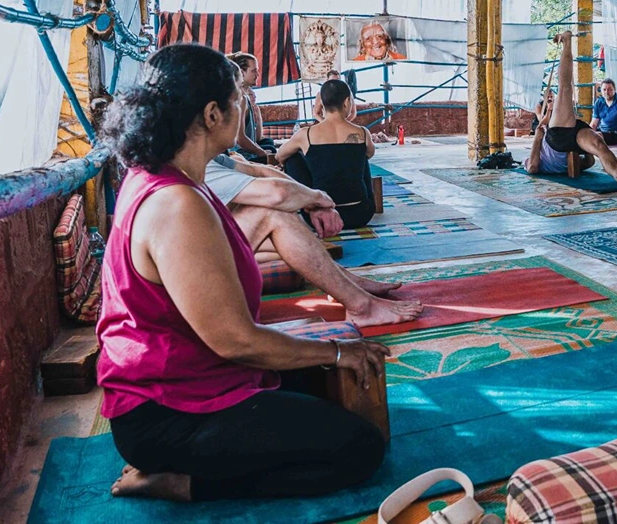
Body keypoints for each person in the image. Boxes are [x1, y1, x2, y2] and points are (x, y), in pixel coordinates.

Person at [97, 44, 388, 504]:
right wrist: (334, 351)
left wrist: (329, 358)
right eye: (238, 100)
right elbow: (235, 341)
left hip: (197, 378)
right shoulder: (176, 203)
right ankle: (186, 483)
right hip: (169, 412)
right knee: (360, 449)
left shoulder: (172, 177)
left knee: (330, 384)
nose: (243, 107)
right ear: (212, 114)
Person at [206, 154, 422, 326]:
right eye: (236, 111)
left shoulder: (209, 158)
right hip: (197, 289)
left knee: (286, 230)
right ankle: (360, 306)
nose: (239, 117)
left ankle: (346, 284)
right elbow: (278, 192)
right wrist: (319, 198)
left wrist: (311, 202)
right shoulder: (198, 165)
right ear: (212, 117)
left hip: (205, 261)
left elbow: (261, 170)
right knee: (273, 214)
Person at [525, 31, 617, 187]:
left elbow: (531, 166)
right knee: (565, 89)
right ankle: (567, 41)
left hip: (560, 138)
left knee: (599, 145)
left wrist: (538, 137)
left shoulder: (535, 163)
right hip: (565, 139)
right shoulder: (555, 167)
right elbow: (589, 162)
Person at [276, 79, 377, 228]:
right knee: (361, 155)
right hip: (360, 214)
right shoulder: (362, 132)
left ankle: (310, 202)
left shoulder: (305, 134)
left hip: (319, 218)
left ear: (321, 103)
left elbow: (279, 156)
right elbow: (370, 153)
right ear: (347, 102)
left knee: (292, 158)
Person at [228, 52, 276, 162]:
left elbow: (254, 137)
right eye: (254, 71)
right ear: (242, 72)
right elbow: (240, 139)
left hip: (242, 155)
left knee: (270, 146)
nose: (257, 74)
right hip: (243, 157)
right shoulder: (241, 99)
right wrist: (262, 153)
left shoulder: (242, 97)